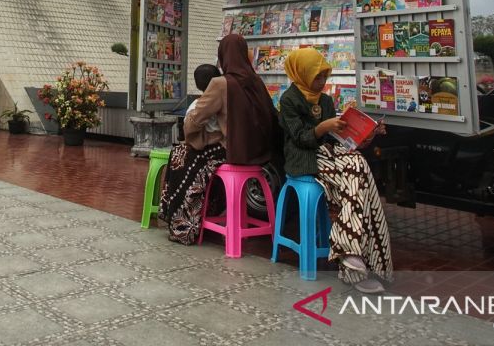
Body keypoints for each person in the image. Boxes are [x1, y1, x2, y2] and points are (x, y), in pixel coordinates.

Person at [278, 47, 393, 293]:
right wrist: (324, 126)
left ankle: (352, 254)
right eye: (317, 77)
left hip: (329, 153)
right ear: (302, 74)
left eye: (324, 77)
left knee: (359, 164)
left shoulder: (326, 100)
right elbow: (300, 138)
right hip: (304, 157)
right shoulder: (288, 100)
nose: (321, 82)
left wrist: (365, 134)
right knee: (357, 169)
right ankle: (354, 256)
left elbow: (337, 140)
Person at [159, 33, 282, 245]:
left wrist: (200, 136)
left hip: (234, 152)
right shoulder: (256, 82)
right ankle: (210, 211)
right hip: (261, 155)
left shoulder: (221, 83)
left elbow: (194, 120)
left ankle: (183, 224)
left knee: (181, 154)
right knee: (197, 158)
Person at [187, 64, 222, 134]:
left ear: (197, 85)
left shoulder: (195, 105)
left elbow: (188, 128)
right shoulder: (227, 100)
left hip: (206, 143)